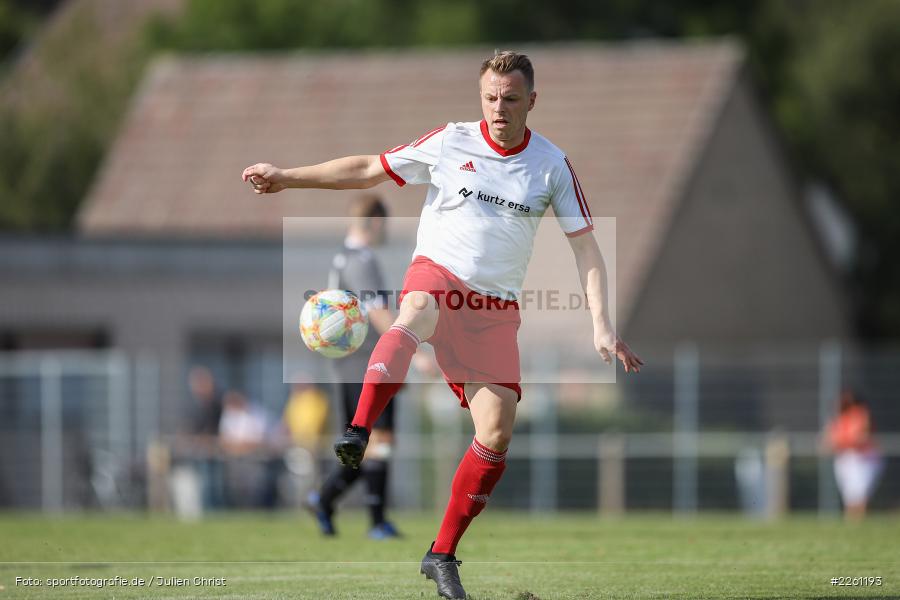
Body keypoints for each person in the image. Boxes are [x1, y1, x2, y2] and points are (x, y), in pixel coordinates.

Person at [243, 50, 643, 600]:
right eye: (489, 97)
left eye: (509, 98)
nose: (498, 108)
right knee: (414, 311)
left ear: (531, 100)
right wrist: (287, 177)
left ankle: (441, 555)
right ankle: (358, 430)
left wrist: (601, 324)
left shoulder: (551, 164)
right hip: (437, 275)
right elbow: (366, 168)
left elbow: (586, 248)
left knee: (496, 432)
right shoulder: (451, 140)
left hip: (495, 312)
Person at [305, 194, 427, 539]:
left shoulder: (343, 257)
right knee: (380, 441)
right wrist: (412, 351)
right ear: (375, 222)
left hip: (349, 365)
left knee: (367, 444)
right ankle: (370, 519)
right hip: (367, 366)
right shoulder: (361, 259)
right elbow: (377, 313)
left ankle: (327, 500)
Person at [826, 389, 883, 521]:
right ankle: (852, 523)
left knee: (859, 496)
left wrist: (842, 442)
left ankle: (858, 522)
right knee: (850, 497)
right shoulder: (839, 419)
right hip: (846, 458)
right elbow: (829, 441)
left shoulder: (860, 414)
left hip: (862, 459)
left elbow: (860, 438)